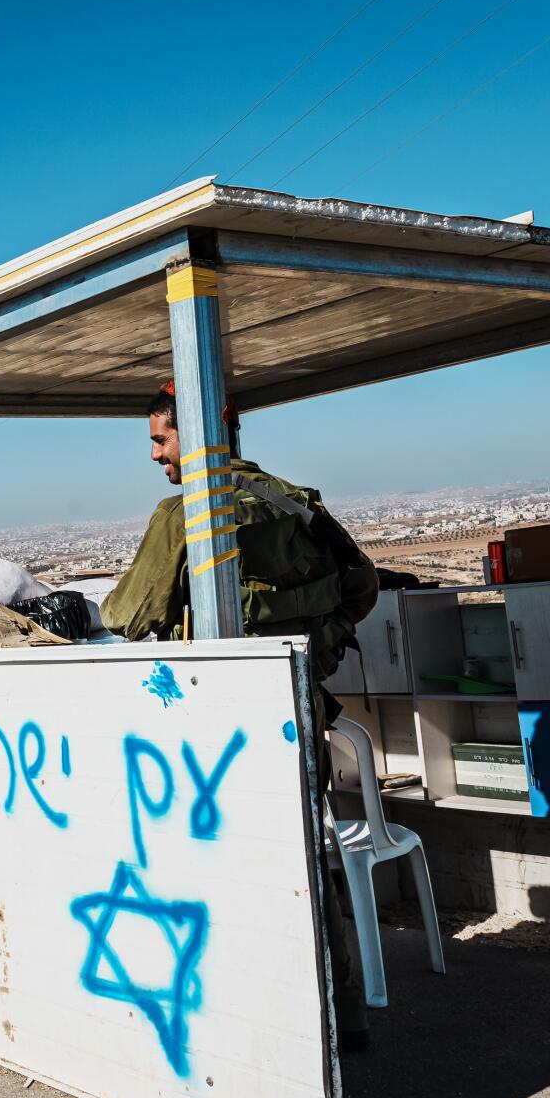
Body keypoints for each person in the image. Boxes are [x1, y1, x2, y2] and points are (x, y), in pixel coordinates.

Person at [102, 381, 379, 1045]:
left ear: (195, 434)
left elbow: (126, 616)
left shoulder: (184, 514)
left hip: (219, 734)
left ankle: (256, 1035)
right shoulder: (293, 502)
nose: (153, 454)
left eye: (160, 438)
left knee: (226, 876)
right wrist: (317, 650)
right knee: (307, 866)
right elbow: (362, 585)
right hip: (298, 711)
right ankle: (336, 1026)